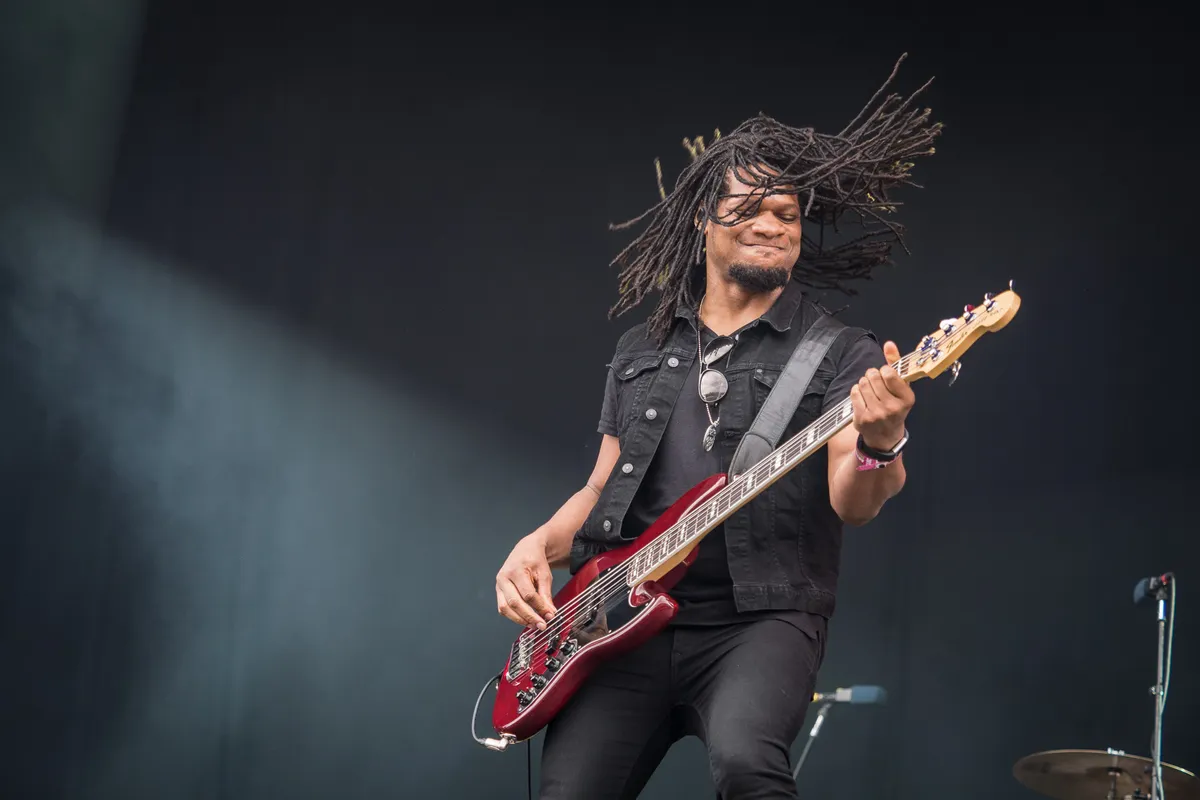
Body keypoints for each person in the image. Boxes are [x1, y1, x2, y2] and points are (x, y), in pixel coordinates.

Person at [494, 54, 942, 799]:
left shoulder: (839, 352)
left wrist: (881, 440)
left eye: (787, 216)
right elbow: (603, 490)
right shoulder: (642, 348)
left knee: (746, 763)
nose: (771, 225)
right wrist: (536, 545)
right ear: (703, 219)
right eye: (748, 210)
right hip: (617, 616)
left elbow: (854, 499)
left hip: (760, 620)